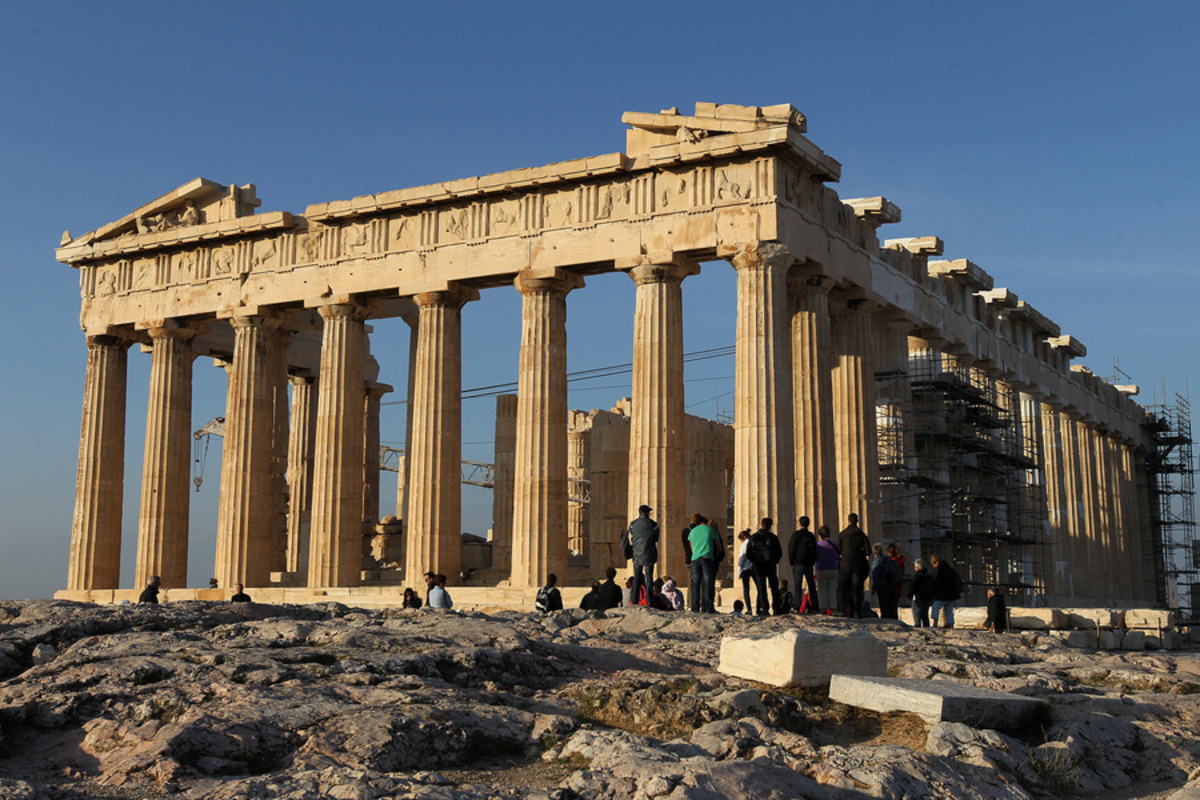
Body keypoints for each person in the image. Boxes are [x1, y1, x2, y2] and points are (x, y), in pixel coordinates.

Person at [622, 504, 660, 605]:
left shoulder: (633, 524)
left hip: (637, 553)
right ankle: (649, 601)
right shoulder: (653, 524)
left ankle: (634, 601)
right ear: (647, 513)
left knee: (637, 578)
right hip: (649, 554)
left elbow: (631, 536)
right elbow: (656, 539)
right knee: (649, 578)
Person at [836, 513, 871, 618]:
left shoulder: (842, 534)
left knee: (842, 588)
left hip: (845, 564)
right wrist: (859, 553)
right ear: (857, 521)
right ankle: (857, 612)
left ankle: (842, 610)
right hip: (858, 565)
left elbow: (838, 550)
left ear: (848, 521)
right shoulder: (862, 535)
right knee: (857, 589)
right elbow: (868, 551)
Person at [687, 513, 723, 613]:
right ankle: (708, 607)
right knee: (708, 583)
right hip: (707, 558)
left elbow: (692, 548)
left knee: (695, 583)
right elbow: (719, 547)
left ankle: (695, 607)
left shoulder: (693, 531)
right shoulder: (711, 530)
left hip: (695, 559)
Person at [747, 518, 783, 615]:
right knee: (774, 587)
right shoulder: (773, 538)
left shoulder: (754, 537)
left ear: (761, 524)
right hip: (770, 565)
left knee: (761, 588)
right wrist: (774, 561)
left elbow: (748, 553)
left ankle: (764, 609)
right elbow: (779, 553)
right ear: (770, 526)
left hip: (759, 566)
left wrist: (756, 561)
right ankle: (777, 608)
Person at [788, 516, 819, 613]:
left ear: (799, 524)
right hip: (809, 563)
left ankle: (797, 606)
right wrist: (813, 561)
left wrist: (792, 561)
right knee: (811, 585)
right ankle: (815, 606)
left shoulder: (796, 535)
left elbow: (791, 548)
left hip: (798, 563)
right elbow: (815, 550)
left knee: (798, 585)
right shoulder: (811, 536)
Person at [929, 554, 962, 628]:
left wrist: (933, 592)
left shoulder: (940, 571)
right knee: (949, 609)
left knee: (935, 607)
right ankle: (951, 624)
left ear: (936, 563)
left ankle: (935, 623)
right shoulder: (949, 568)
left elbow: (937, 582)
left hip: (943, 594)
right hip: (952, 593)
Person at [869, 545, 900, 619]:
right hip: (892, 584)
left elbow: (875, 575)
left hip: (882, 586)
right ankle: (894, 619)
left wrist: (874, 588)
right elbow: (899, 573)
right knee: (892, 605)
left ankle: (886, 619)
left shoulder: (876, 562)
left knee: (884, 605)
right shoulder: (890, 560)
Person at [814, 526, 839, 614]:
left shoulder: (818, 545)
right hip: (833, 567)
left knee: (822, 590)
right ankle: (833, 608)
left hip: (822, 568)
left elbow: (815, 556)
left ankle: (822, 608)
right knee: (832, 589)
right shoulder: (834, 544)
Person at [909, 559, 934, 627]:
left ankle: (918, 628)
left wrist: (909, 595)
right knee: (925, 616)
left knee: (917, 616)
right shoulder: (929, 576)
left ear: (917, 567)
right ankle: (927, 629)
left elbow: (913, 587)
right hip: (927, 598)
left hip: (918, 598)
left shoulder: (916, 576)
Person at [735, 529, 753, 613]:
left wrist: (739, 572)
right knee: (760, 588)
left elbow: (741, 559)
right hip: (754, 567)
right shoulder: (754, 542)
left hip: (745, 569)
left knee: (746, 589)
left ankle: (749, 608)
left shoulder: (744, 544)